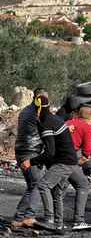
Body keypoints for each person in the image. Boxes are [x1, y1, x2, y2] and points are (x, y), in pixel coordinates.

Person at [31, 97, 79, 233]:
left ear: (38, 108)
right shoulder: (54, 119)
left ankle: (49, 220)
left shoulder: (47, 122)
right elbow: (53, 148)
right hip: (70, 161)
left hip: (63, 162)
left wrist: (33, 161)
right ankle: (58, 225)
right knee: (57, 193)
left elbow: (50, 152)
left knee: (43, 185)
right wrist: (44, 160)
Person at [12, 88, 48, 229]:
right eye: (44, 99)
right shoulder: (37, 113)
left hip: (21, 151)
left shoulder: (25, 110)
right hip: (31, 152)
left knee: (32, 185)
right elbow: (46, 129)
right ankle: (25, 217)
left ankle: (20, 218)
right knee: (37, 185)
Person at [66, 106, 91, 231]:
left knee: (60, 189)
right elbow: (87, 153)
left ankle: (52, 219)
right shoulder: (88, 128)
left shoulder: (68, 123)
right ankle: (78, 220)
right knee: (83, 185)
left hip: (55, 158)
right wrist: (79, 162)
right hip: (68, 159)